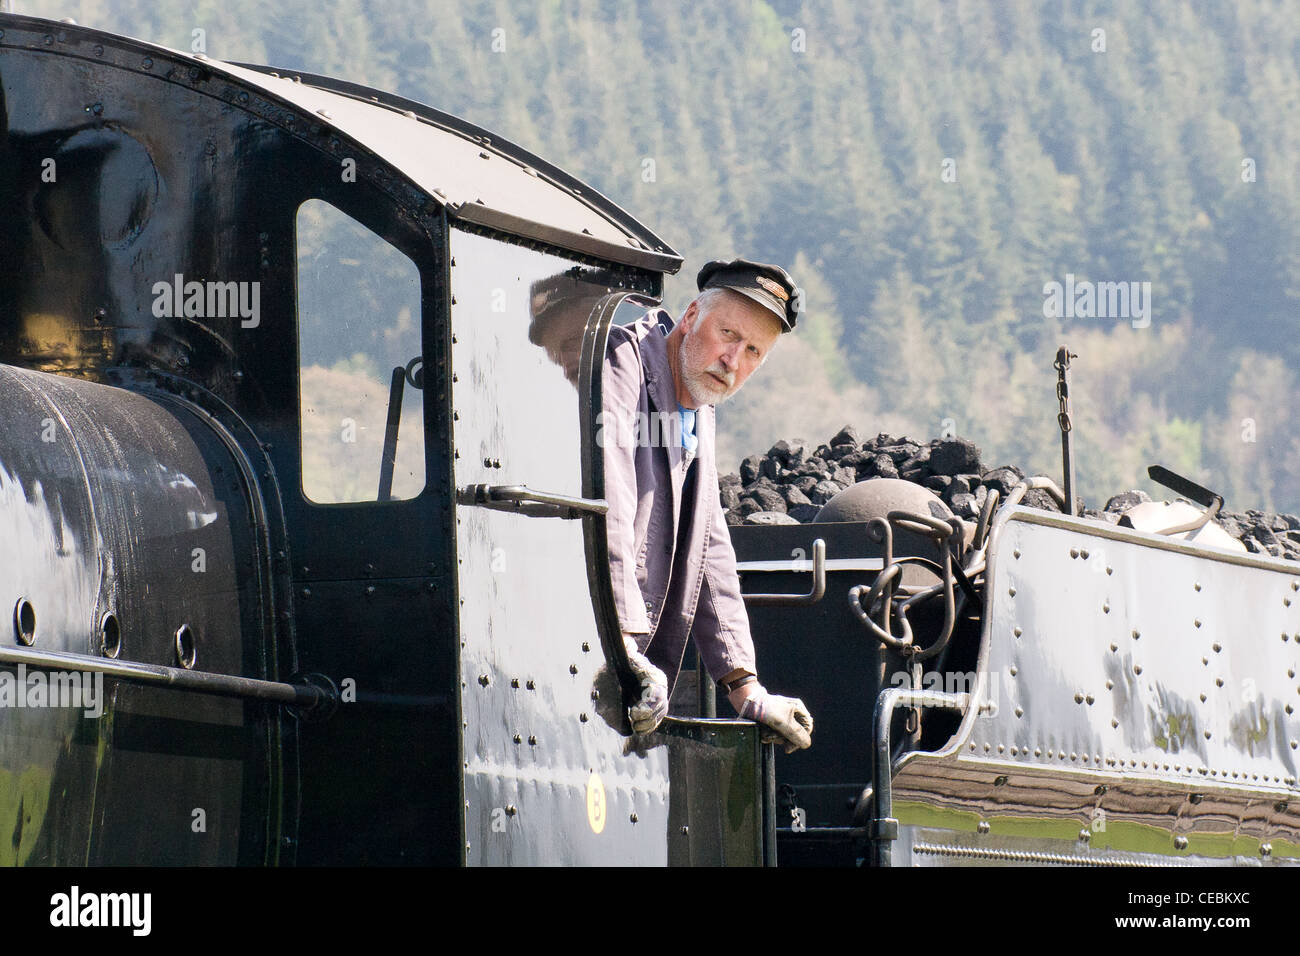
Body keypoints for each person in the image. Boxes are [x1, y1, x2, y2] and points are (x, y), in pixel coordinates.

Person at [601, 258, 814, 753]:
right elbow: (609, 501)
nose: (733, 360)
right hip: (589, 655)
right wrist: (624, 647)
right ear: (692, 314)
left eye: (753, 351)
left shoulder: (699, 402)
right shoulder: (623, 363)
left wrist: (746, 687)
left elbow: (710, 541)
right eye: (728, 334)